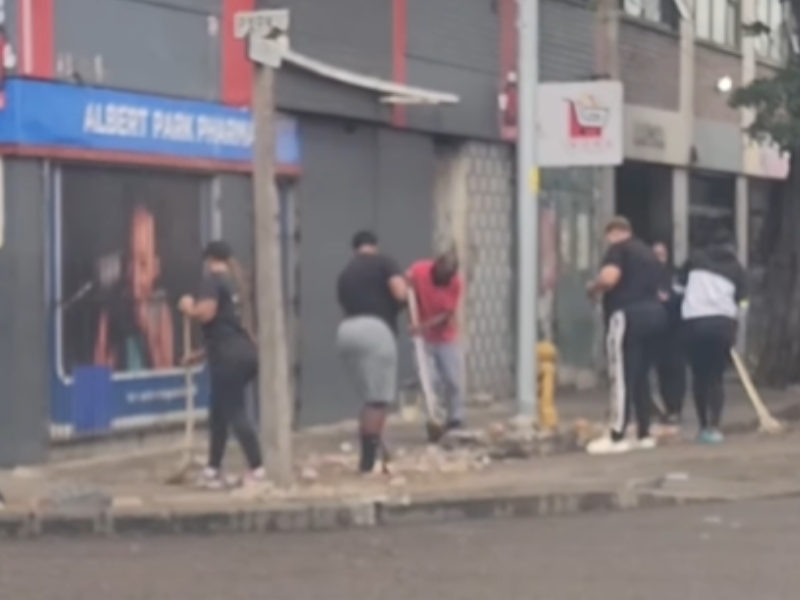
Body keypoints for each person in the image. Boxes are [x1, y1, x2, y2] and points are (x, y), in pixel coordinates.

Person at [178, 240, 265, 488]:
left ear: (208, 260)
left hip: (228, 358)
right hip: (242, 353)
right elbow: (226, 329)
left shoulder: (211, 282)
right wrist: (198, 355)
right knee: (219, 412)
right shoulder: (234, 284)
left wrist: (188, 307)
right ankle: (212, 468)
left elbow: (206, 313)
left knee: (235, 411)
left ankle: (258, 468)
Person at [585, 217, 667, 455]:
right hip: (654, 316)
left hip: (627, 315)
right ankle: (644, 432)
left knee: (620, 374)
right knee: (642, 375)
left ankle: (617, 434)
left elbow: (610, 278)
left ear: (612, 233)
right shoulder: (649, 254)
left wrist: (592, 288)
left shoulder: (618, 250)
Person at [336, 231, 407, 474]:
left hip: (347, 331)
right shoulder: (384, 262)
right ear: (375, 246)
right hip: (375, 331)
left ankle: (373, 453)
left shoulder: (346, 273)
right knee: (378, 401)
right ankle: (367, 463)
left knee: (369, 399)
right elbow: (400, 292)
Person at [680, 230, 747, 444]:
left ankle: (702, 425)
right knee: (716, 377)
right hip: (722, 325)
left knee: (699, 375)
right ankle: (715, 425)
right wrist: (735, 320)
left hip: (694, 323)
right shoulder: (737, 268)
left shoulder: (694, 260)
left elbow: (679, 287)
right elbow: (743, 301)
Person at [94, 204, 175, 371]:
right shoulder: (111, 309)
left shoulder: (160, 310)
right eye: (130, 262)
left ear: (156, 268)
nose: (135, 276)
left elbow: (168, 375)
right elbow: (94, 388)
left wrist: (150, 336)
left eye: (143, 265)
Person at [407, 248, 465, 438]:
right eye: (442, 276)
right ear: (435, 267)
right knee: (430, 380)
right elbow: (407, 280)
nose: (444, 281)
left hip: (444, 336)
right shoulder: (420, 270)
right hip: (424, 340)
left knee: (452, 379)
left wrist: (422, 326)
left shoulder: (455, 284)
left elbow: (447, 314)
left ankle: (456, 417)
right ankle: (434, 418)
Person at [651, 241, 687, 424]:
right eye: (655, 254)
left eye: (661, 254)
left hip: (675, 329)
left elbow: (684, 297)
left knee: (675, 370)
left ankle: (676, 407)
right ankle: (665, 406)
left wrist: (669, 298)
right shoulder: (647, 275)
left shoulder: (675, 275)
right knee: (661, 371)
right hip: (655, 330)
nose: (658, 258)